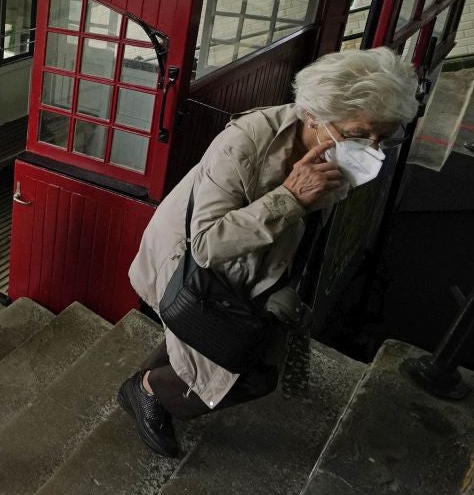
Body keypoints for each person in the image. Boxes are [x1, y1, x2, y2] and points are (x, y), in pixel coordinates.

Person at [118, 47, 417, 457]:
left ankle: (154, 378)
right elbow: (207, 244)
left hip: (254, 268)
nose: (373, 149)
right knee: (253, 376)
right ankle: (150, 389)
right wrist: (289, 197)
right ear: (313, 115)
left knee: (201, 334)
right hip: (188, 263)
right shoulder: (246, 143)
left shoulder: (333, 149)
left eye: (386, 136)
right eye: (360, 135)